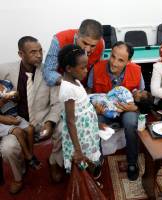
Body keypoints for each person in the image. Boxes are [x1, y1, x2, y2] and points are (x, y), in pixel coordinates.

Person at [0, 36, 62, 194]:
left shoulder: (49, 73)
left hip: (42, 122)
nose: (39, 55)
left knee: (63, 129)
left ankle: (54, 161)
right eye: (33, 52)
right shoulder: (4, 70)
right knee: (8, 148)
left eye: (41, 51)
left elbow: (56, 104)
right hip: (16, 123)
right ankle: (18, 174)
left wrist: (50, 123)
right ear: (21, 54)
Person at [87, 41, 146, 181]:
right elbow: (87, 94)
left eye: (121, 60)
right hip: (103, 111)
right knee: (93, 121)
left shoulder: (136, 70)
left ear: (129, 61)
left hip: (127, 110)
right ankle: (97, 161)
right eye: (112, 57)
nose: (114, 63)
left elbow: (142, 97)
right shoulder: (96, 68)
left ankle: (132, 162)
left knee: (131, 121)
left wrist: (135, 107)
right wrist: (94, 109)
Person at [58, 44, 102, 178]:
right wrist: (77, 149)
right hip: (80, 134)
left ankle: (89, 172)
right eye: (82, 67)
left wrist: (96, 124)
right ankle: (84, 181)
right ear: (69, 68)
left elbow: (83, 106)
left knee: (89, 154)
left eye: (87, 66)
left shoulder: (75, 80)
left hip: (86, 130)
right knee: (82, 157)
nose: (86, 71)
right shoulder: (68, 89)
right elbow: (70, 121)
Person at [43, 19, 104, 86]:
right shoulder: (59, 40)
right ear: (77, 34)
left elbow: (95, 71)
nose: (88, 49)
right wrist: (68, 85)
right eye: (85, 43)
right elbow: (48, 71)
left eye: (93, 46)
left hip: (84, 88)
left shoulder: (101, 44)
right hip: (60, 86)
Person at [0, 80, 40, 169]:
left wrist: (15, 96)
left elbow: (17, 99)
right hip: (4, 119)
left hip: (15, 115)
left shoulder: (6, 83)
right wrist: (4, 99)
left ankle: (30, 154)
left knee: (30, 129)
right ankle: (29, 157)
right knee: (18, 132)